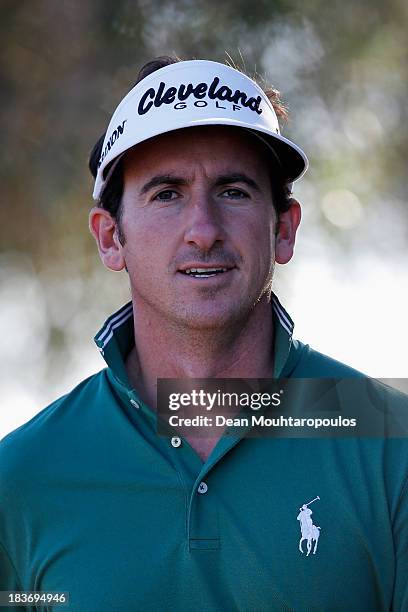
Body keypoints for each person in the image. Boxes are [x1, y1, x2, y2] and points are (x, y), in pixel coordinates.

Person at [0, 56, 407, 611]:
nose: (204, 231)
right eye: (167, 194)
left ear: (283, 229)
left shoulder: (391, 445)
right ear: (110, 238)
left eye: (233, 191)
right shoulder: (21, 478)